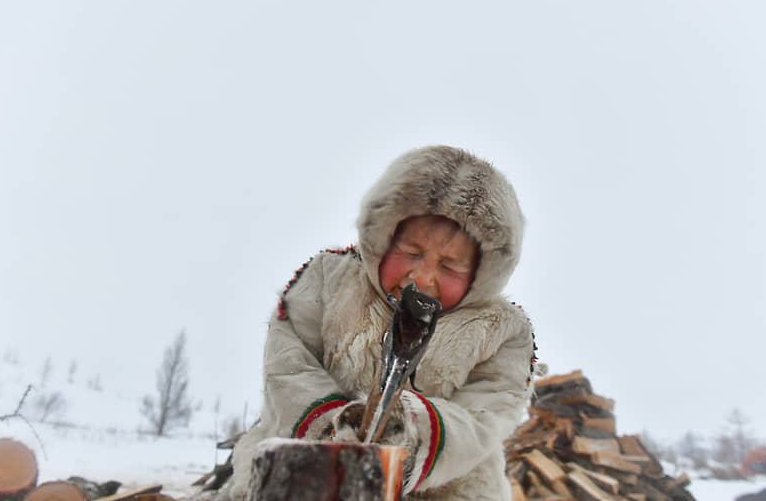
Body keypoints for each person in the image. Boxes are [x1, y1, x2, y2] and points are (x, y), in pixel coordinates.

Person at [223, 145, 543, 500]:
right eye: (411, 252)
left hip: (443, 484)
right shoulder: (328, 279)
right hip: (304, 458)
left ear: (483, 273)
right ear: (382, 238)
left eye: (450, 266)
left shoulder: (503, 331)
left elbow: (486, 415)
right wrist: (330, 424)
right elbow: (289, 364)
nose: (423, 278)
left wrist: (410, 433)